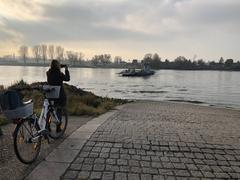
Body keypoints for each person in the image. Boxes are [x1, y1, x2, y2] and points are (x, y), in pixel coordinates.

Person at [46, 59, 70, 132]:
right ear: (57, 66)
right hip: (59, 95)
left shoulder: (48, 73)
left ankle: (48, 126)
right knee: (59, 111)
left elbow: (52, 71)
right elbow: (67, 79)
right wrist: (66, 69)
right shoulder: (60, 74)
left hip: (50, 95)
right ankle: (58, 128)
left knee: (49, 111)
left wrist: (59, 66)